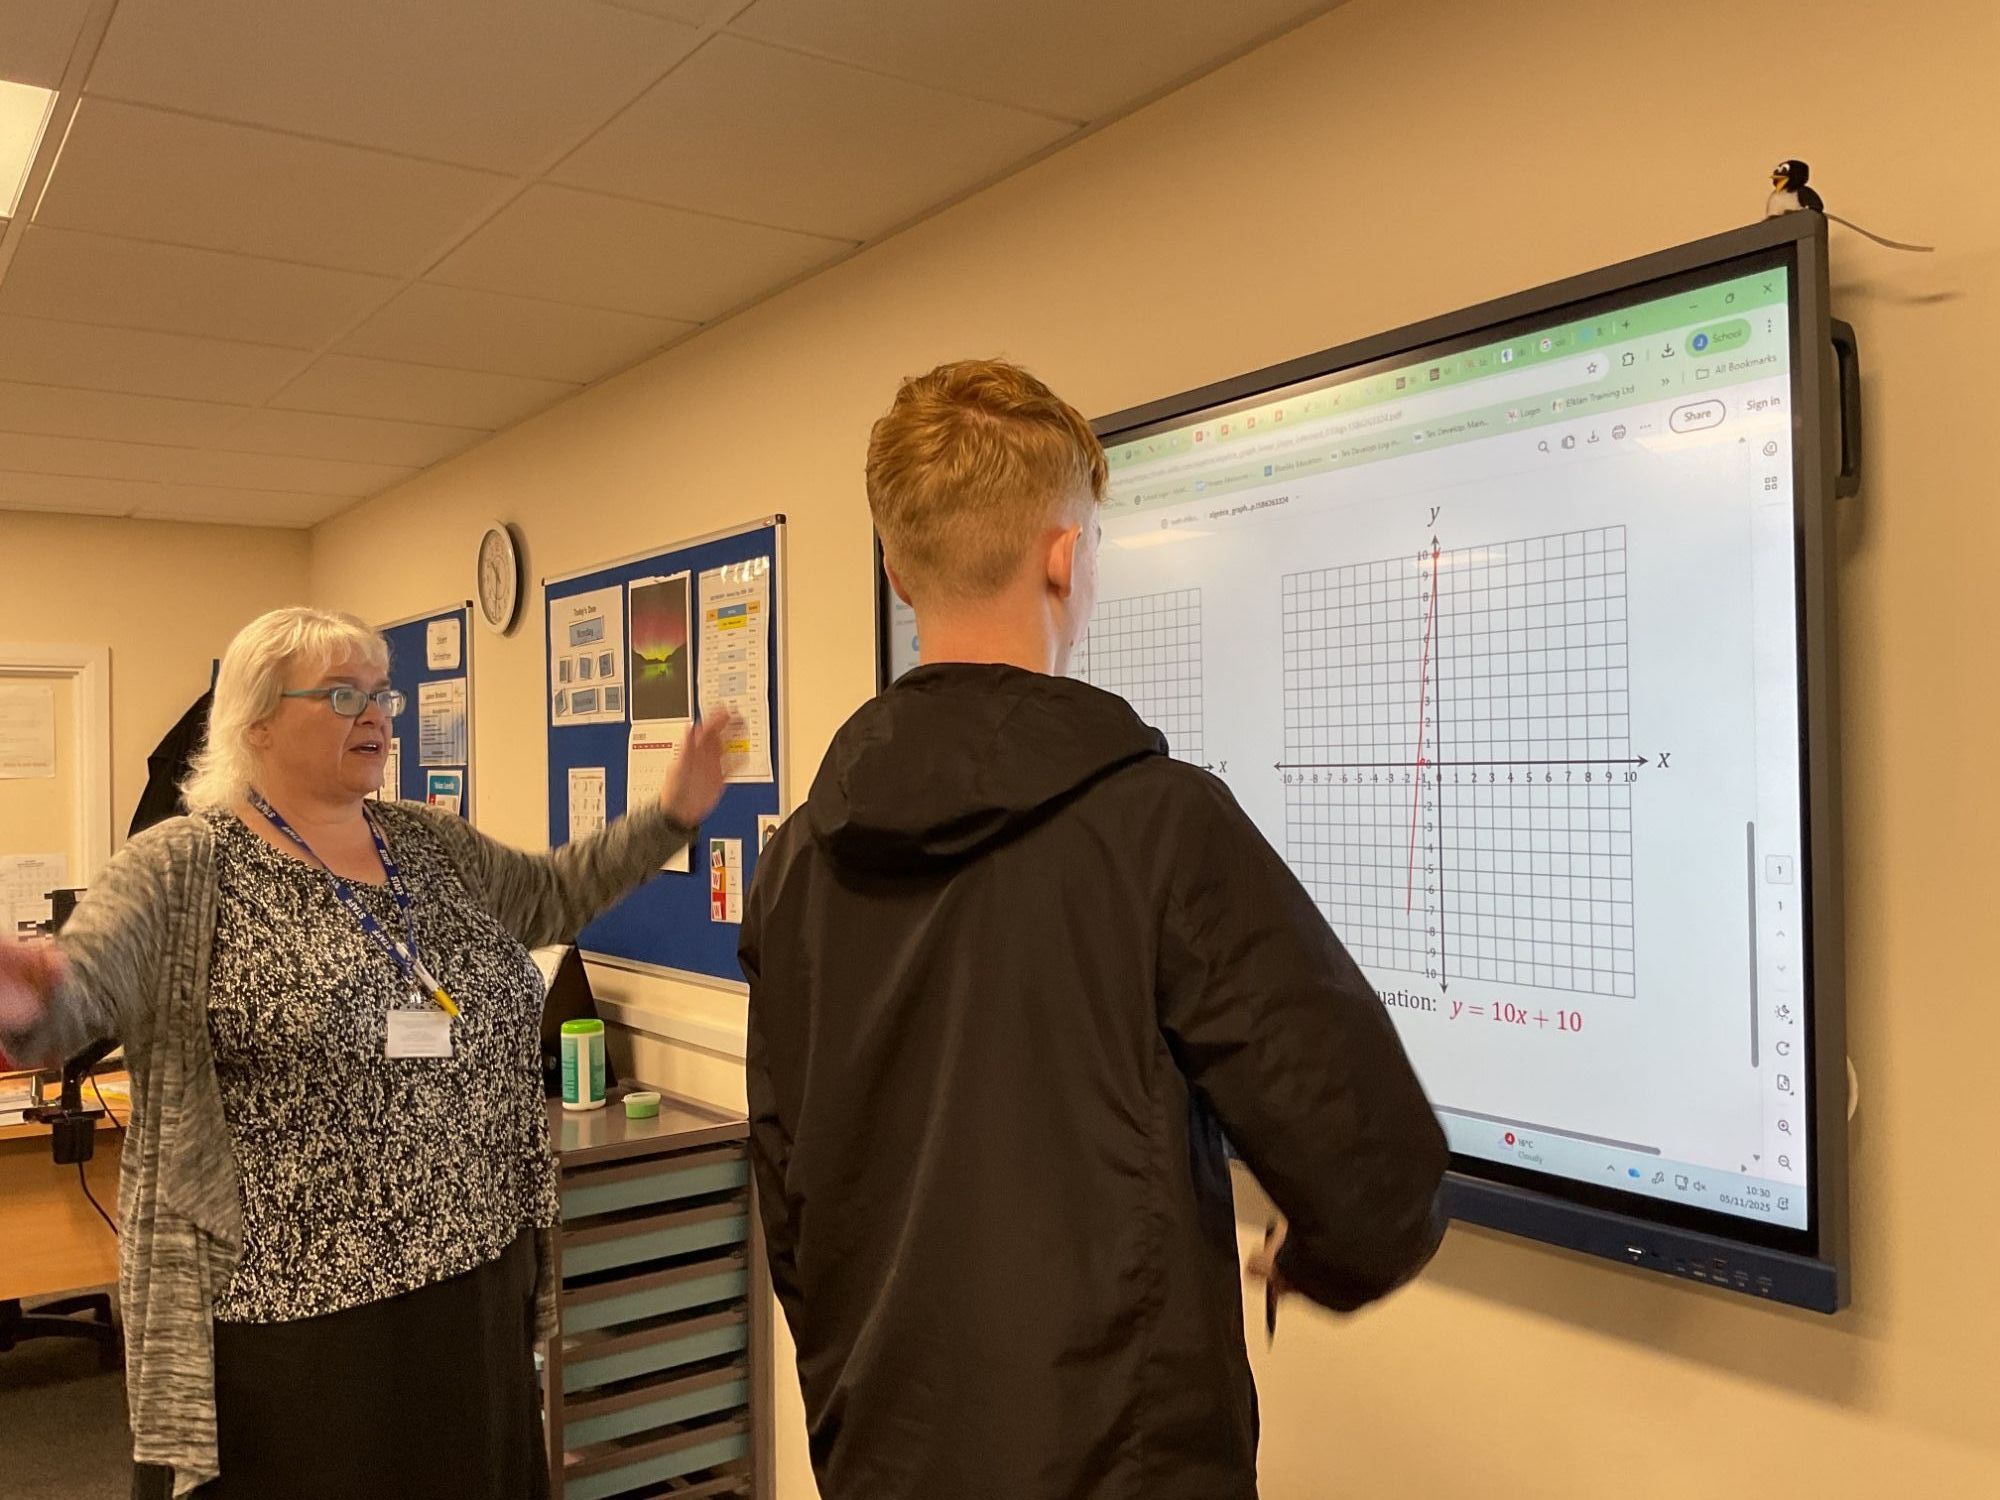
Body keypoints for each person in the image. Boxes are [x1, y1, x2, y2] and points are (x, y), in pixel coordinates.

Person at [742, 359, 1450, 1500]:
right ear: (1063, 555)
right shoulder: (1157, 826)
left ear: (896, 572)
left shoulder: (796, 861)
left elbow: (787, 1189)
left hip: (883, 1445)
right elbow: (1371, 1170)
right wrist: (1316, 1257)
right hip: (1116, 1465)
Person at [0, 606, 734, 1499]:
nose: (378, 715)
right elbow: (82, 992)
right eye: (344, 694)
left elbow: (550, 895)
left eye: (383, 693)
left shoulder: (427, 843)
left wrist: (667, 818)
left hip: (474, 1280)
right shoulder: (180, 868)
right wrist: (31, 1001)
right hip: (300, 1325)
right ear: (257, 718)